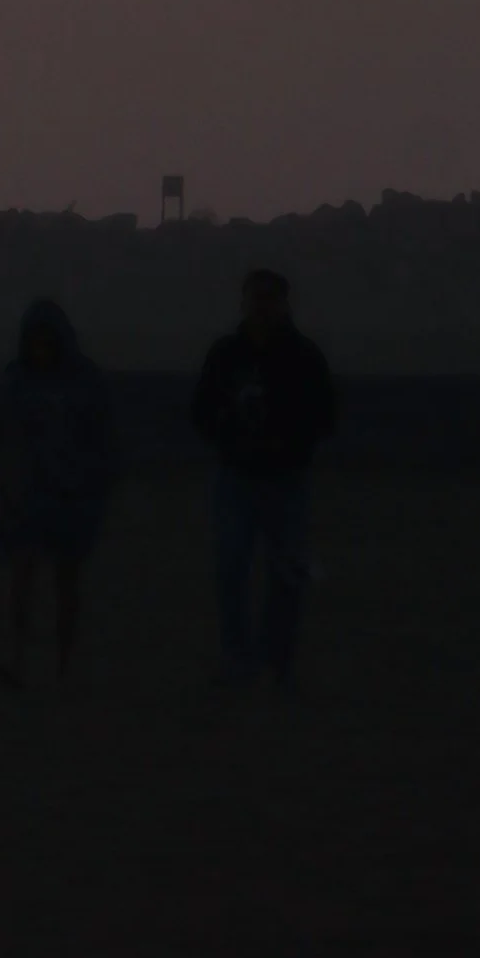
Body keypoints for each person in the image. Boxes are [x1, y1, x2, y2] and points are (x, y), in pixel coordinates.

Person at [190, 269, 337, 685]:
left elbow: (325, 415)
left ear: (284, 304)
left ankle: (277, 659)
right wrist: (228, 439)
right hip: (236, 477)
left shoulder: (304, 357)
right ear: (245, 302)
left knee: (286, 575)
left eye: (270, 299)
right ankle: (240, 659)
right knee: (231, 569)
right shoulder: (225, 355)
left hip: (285, 480)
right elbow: (201, 409)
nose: (263, 306)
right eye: (257, 298)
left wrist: (289, 443)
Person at [0, 298, 115, 689]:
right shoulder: (16, 380)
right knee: (23, 577)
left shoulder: (86, 382)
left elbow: (103, 441)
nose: (41, 349)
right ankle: (18, 659)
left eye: (46, 340)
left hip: (72, 498)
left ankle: (64, 667)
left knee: (65, 582)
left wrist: (93, 486)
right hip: (28, 496)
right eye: (34, 341)